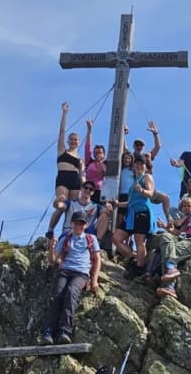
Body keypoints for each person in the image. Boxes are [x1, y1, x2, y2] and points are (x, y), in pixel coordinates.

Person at [41, 211, 101, 345]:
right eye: (76, 223)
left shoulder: (91, 239)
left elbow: (97, 260)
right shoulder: (65, 238)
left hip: (81, 273)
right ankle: (48, 332)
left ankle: (64, 331)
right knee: (56, 296)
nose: (78, 226)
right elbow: (52, 260)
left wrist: (94, 280)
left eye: (81, 223)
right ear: (71, 223)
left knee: (71, 293)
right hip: (64, 271)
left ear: (85, 225)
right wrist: (51, 247)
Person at [153, 191, 191, 299]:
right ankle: (171, 271)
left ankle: (170, 285)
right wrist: (165, 227)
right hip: (182, 238)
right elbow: (179, 232)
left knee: (172, 250)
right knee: (165, 237)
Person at [48, 103, 85, 237]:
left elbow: (82, 175)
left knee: (73, 208)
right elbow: (61, 132)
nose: (73, 141)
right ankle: (51, 229)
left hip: (75, 181)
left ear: (79, 142)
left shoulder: (80, 158)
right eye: (72, 139)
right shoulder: (62, 150)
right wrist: (64, 114)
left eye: (76, 140)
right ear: (69, 141)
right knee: (61, 205)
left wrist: (83, 187)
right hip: (63, 178)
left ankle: (70, 232)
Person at [113, 156, 156, 270]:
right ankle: (133, 258)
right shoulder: (134, 182)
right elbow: (130, 202)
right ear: (133, 166)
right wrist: (118, 204)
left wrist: (142, 190)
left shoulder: (147, 177)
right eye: (137, 163)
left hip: (143, 212)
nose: (139, 166)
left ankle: (139, 267)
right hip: (131, 214)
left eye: (141, 164)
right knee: (116, 237)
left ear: (145, 166)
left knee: (139, 241)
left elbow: (151, 194)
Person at [83, 118, 107, 202]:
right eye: (96, 153)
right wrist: (89, 130)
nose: (98, 154)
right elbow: (87, 147)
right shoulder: (89, 162)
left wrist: (100, 162)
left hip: (101, 191)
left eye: (100, 152)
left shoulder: (106, 164)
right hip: (88, 190)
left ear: (104, 155)